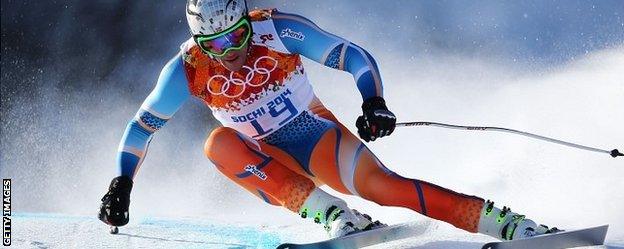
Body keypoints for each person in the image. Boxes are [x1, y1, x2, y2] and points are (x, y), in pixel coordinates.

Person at [99, 0, 557, 240]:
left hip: (315, 137)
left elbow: (353, 56)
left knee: (389, 189)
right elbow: (143, 127)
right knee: (217, 144)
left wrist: (372, 101)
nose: (232, 53)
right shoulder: (188, 69)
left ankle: (506, 223)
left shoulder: (274, 30)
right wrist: (123, 182)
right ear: (200, 40)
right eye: (216, 45)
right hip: (265, 158)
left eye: (236, 37)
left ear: (245, 22)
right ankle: (331, 214)